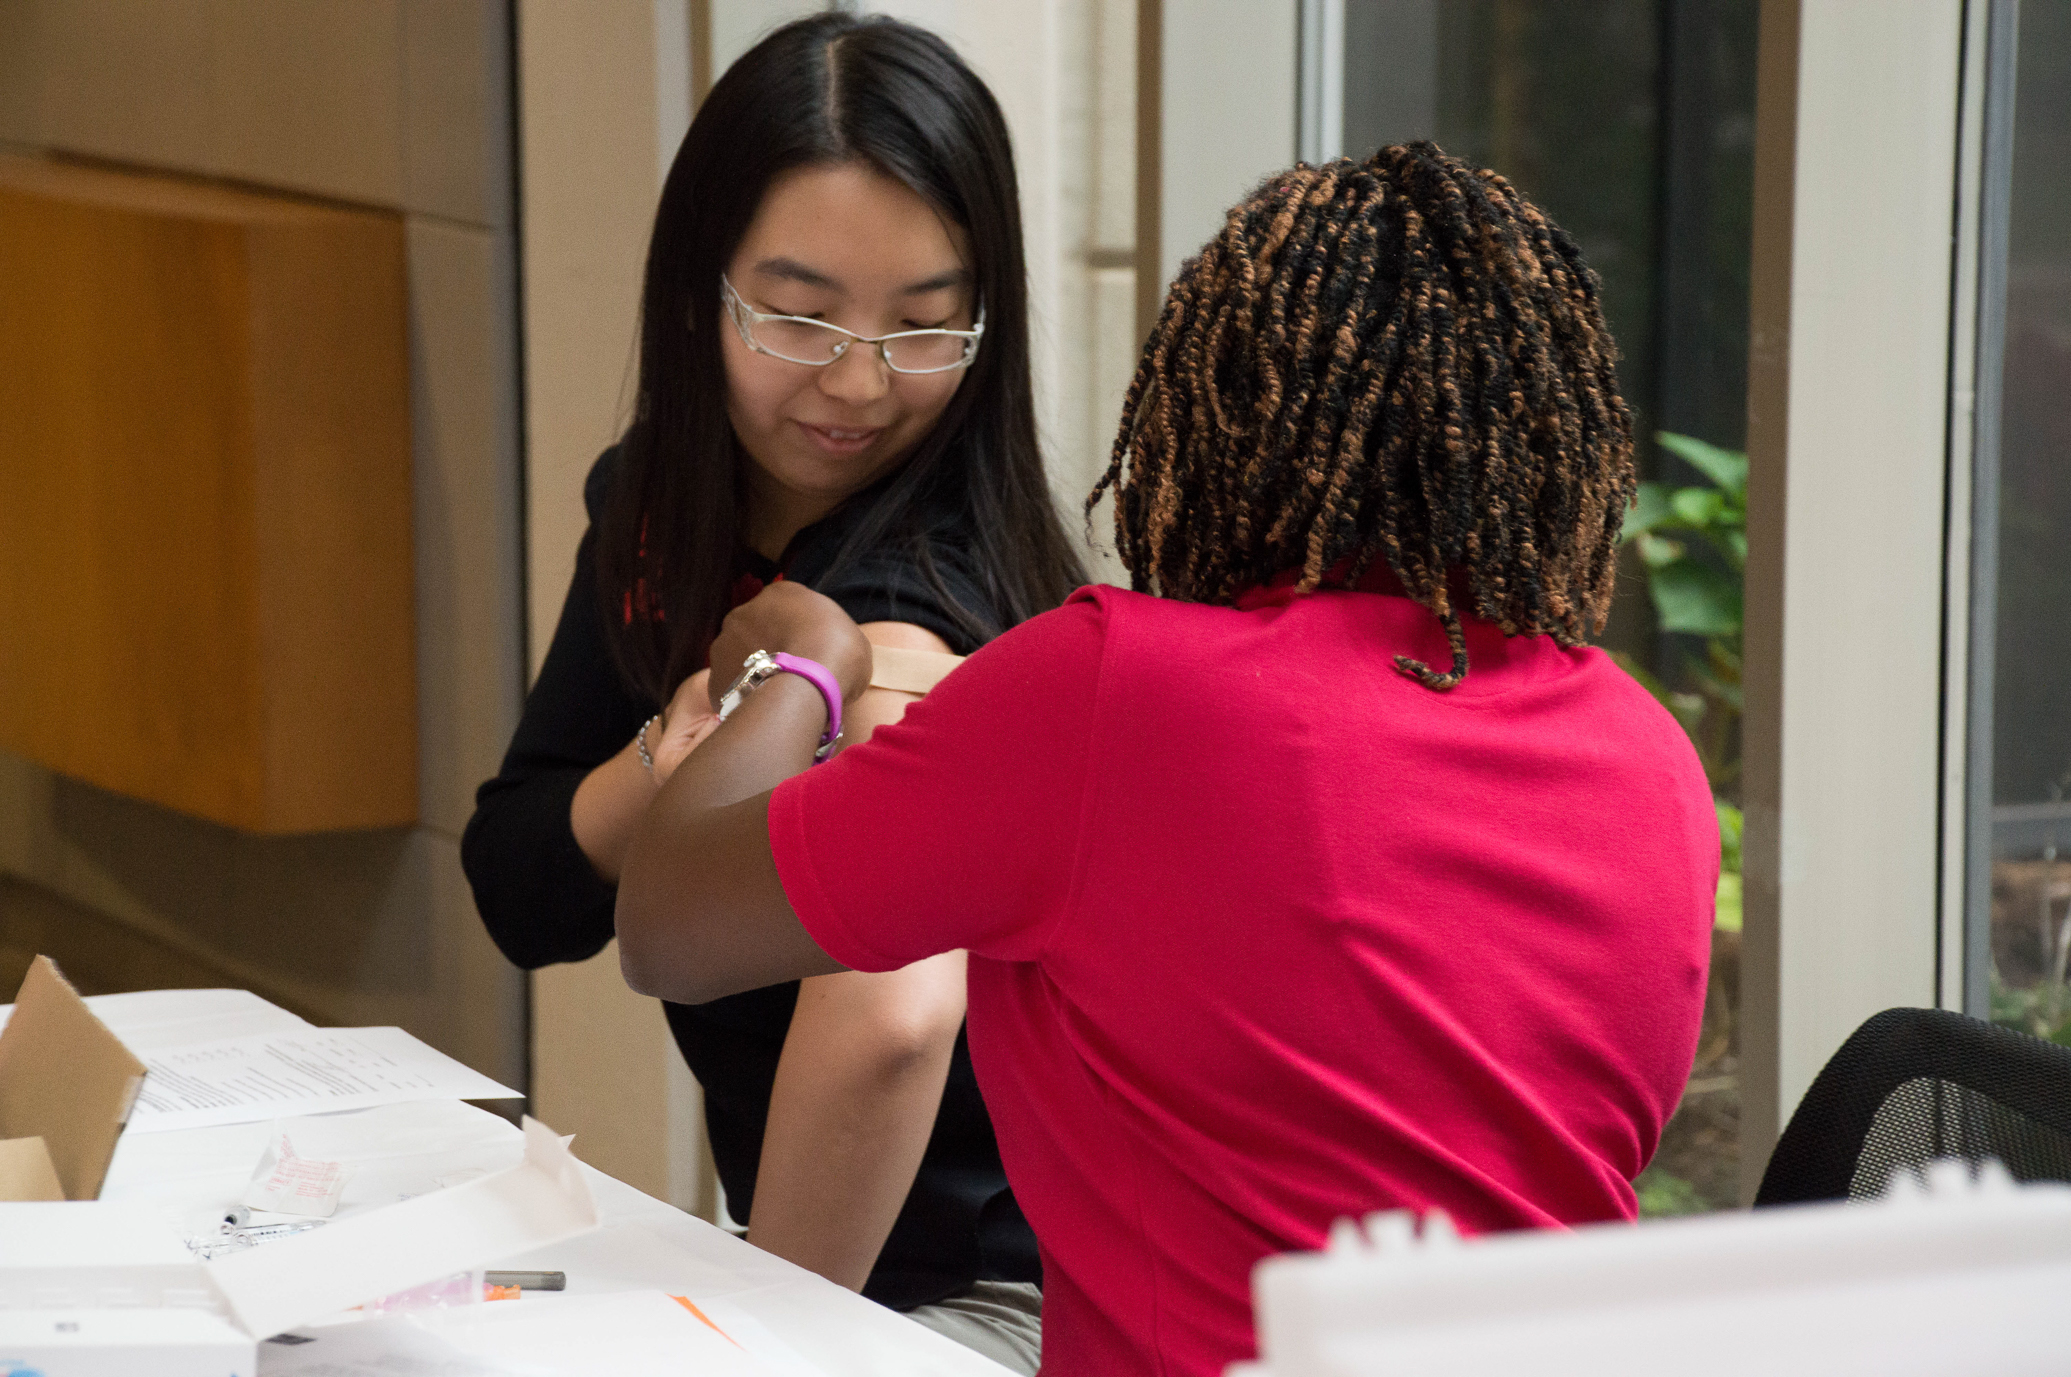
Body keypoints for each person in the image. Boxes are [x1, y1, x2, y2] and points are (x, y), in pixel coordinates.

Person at [612, 143, 1719, 1376]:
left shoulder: (1117, 696)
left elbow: (669, 925)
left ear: (1218, 411)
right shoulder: (1654, 762)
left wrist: (802, 658)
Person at [460, 15, 1082, 1373]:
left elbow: (892, 1023)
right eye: (799, 314)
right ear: (702, 288)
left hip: (988, 1294)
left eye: (924, 328)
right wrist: (668, 768)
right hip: (811, 1260)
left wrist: (756, 1344)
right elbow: (520, 884)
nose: (858, 382)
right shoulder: (659, 510)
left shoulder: (923, 610)